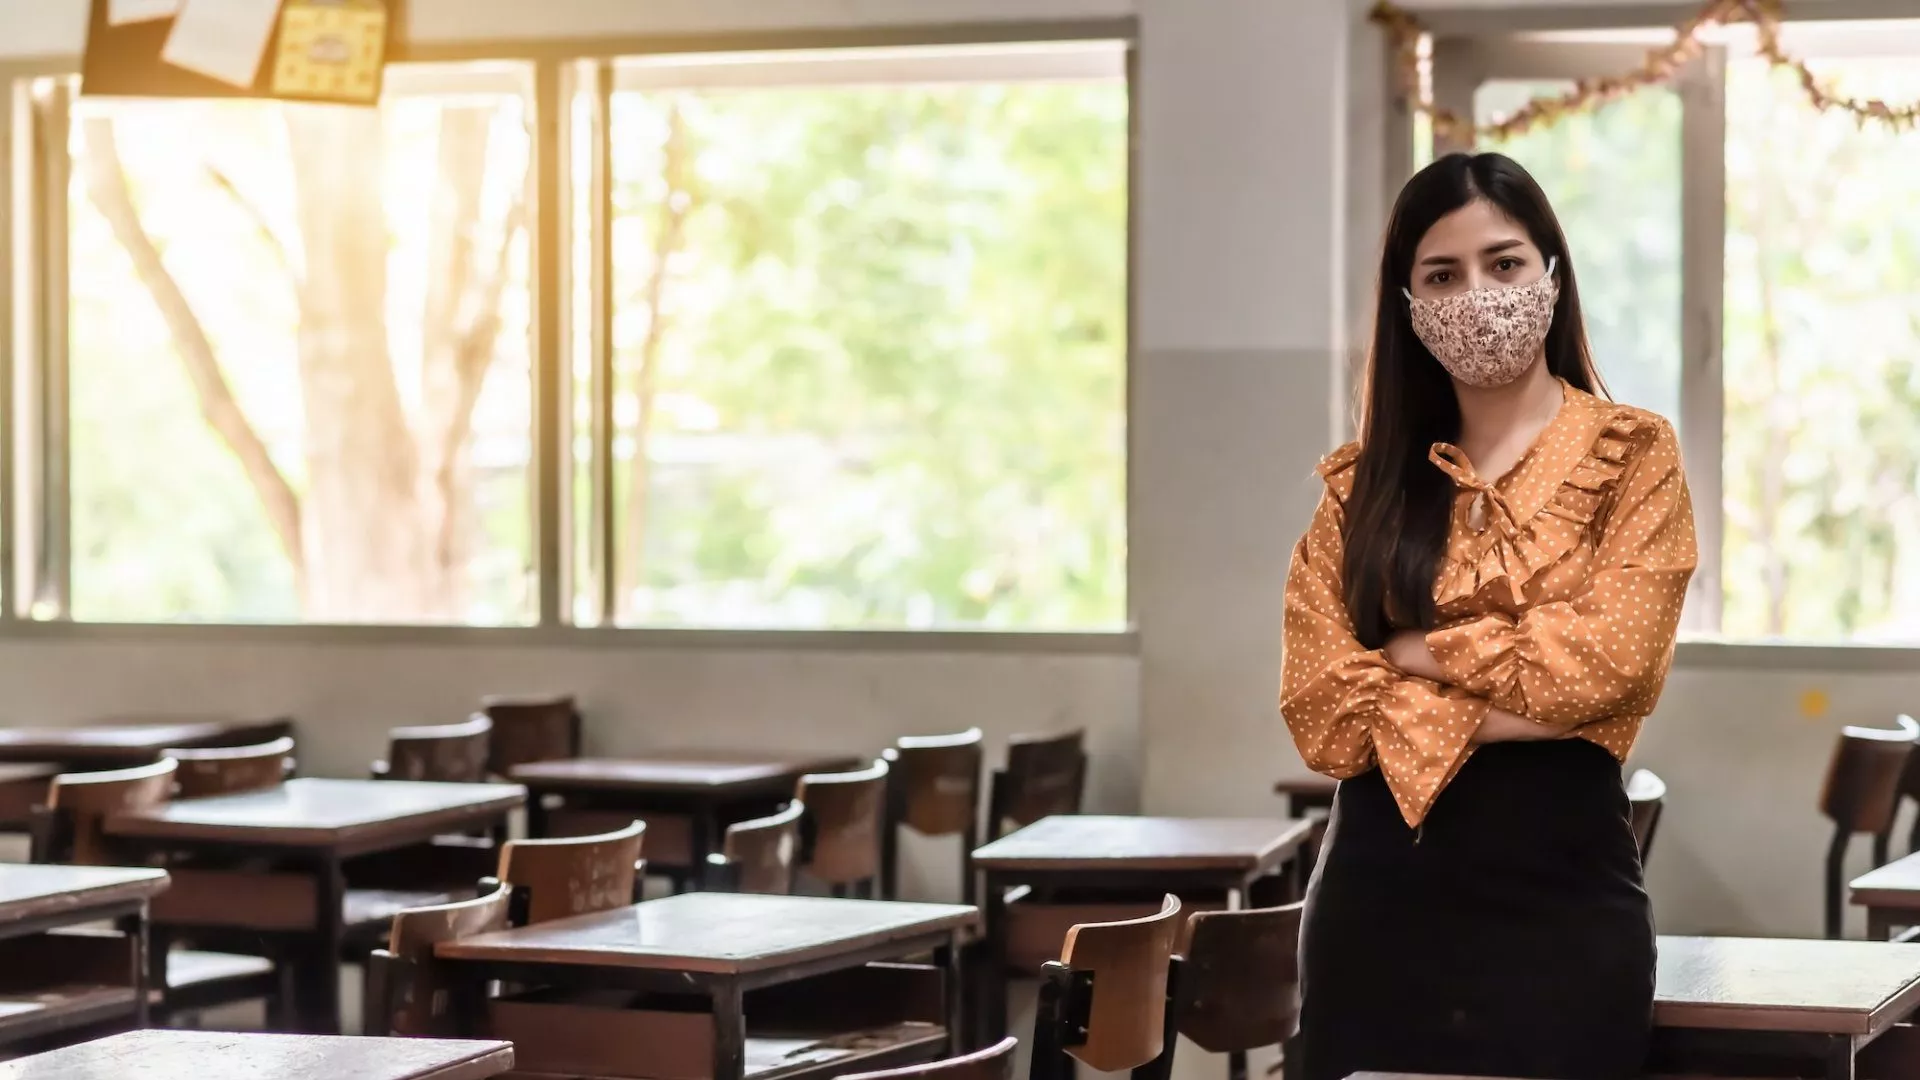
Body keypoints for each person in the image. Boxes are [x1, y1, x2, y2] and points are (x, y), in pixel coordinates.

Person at [1280, 151, 1697, 1080]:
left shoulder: (1634, 455)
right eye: (1443, 273)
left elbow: (1613, 668)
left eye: (1504, 263)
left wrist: (1415, 654)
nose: (1478, 294)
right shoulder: (1363, 485)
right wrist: (1533, 693)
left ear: (1552, 272)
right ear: (1408, 302)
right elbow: (1322, 710)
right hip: (1373, 909)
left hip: (1564, 915)